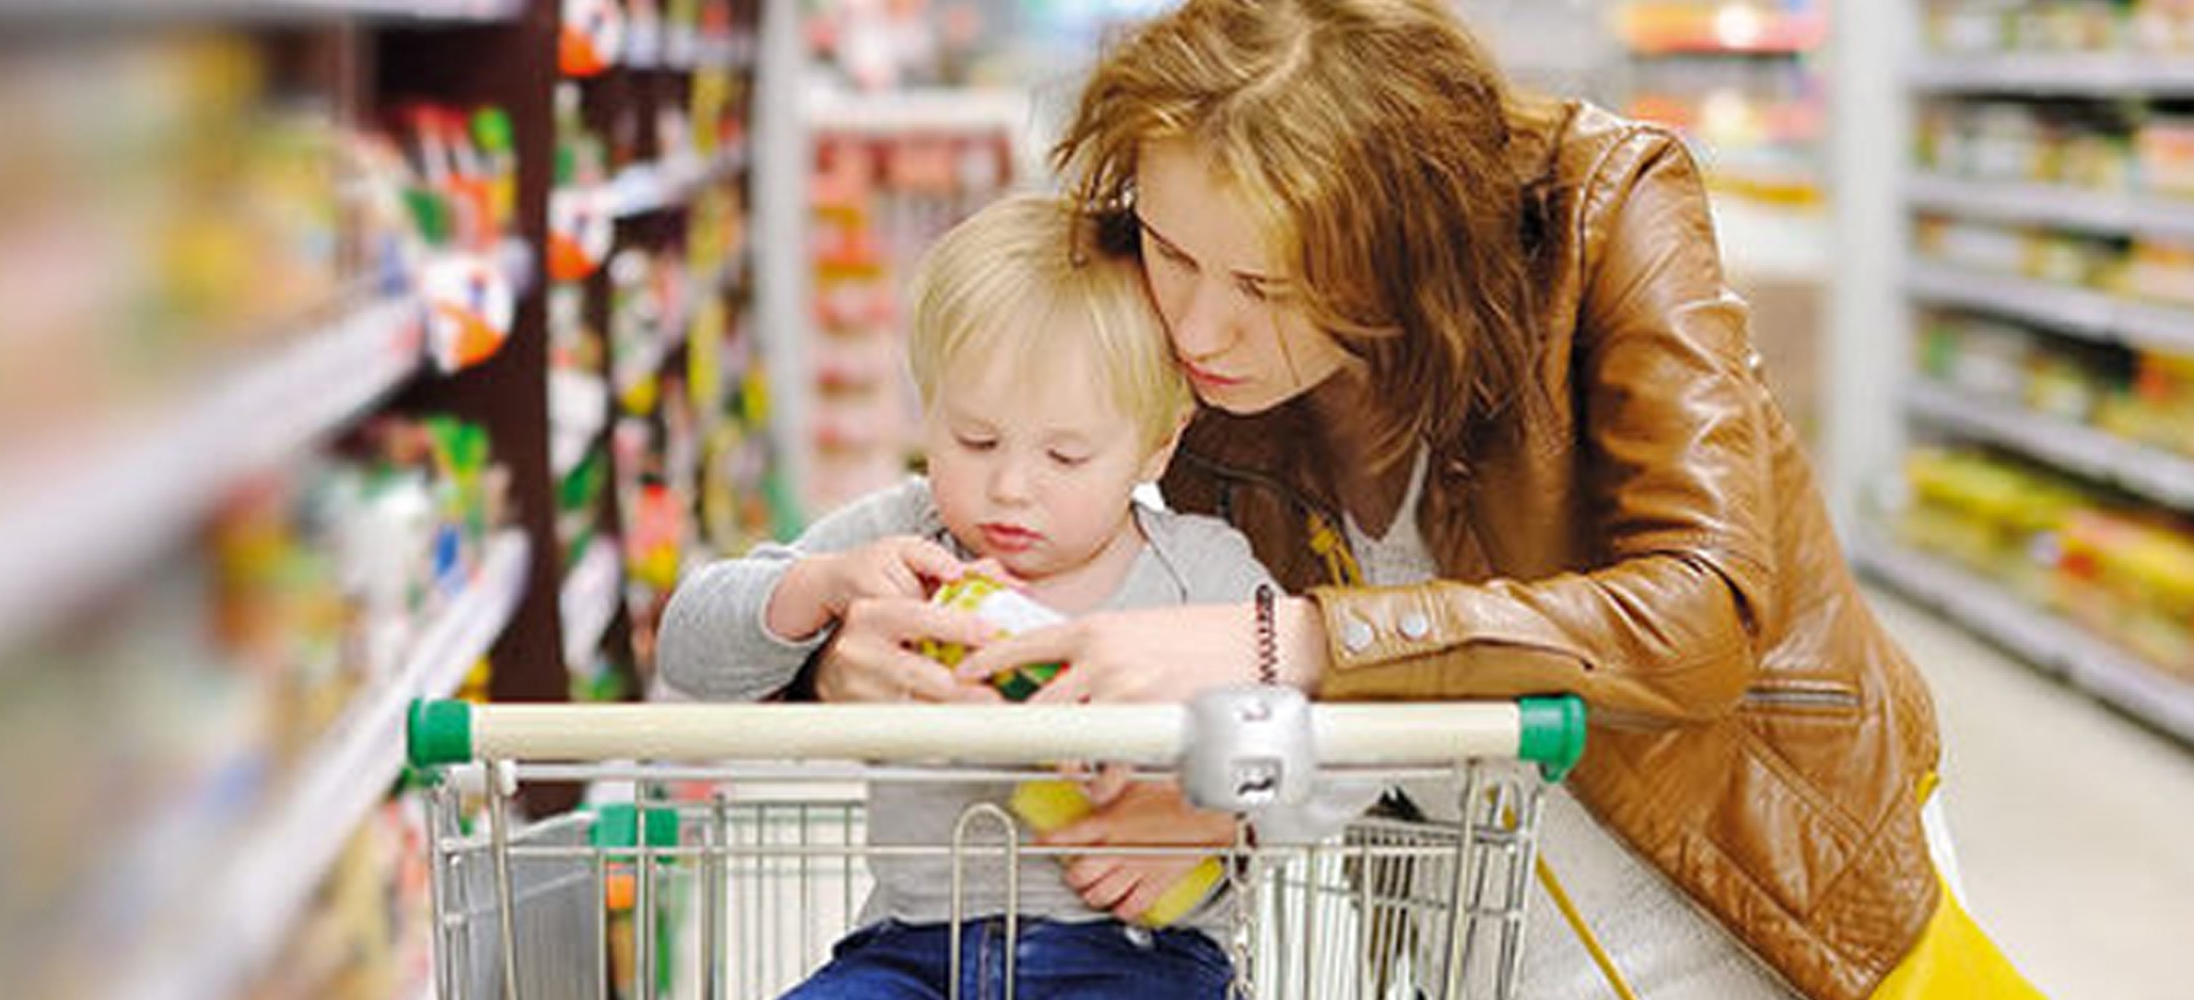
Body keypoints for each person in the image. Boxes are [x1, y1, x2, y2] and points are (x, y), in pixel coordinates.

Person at [663, 0, 2043, 997]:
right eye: (1167, 245)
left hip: (1754, 872)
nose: (1195, 325)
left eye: (1264, 286)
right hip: (1472, 910)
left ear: (1399, 257)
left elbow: (1708, 612)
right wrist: (1221, 799)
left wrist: (1288, 645)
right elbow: (1320, 743)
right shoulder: (1170, 367)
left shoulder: (1607, 216)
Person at [658, 193, 1273, 998]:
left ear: (1159, 444)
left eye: (1065, 455)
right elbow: (687, 649)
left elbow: (1319, 743)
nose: (1011, 487)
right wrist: (816, 587)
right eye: (973, 439)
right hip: (909, 951)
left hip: (1133, 955)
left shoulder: (1206, 578)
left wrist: (1218, 811)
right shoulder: (903, 540)